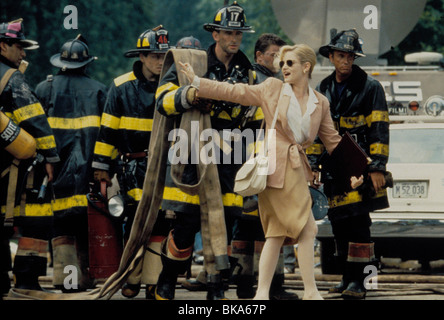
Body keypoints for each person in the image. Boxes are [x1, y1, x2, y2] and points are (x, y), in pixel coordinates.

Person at [179, 42, 366, 300]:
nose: (284, 68)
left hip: (297, 170)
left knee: (276, 235)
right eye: (282, 63)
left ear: (306, 67)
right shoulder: (272, 88)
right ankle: (311, 292)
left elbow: (333, 141)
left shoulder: (320, 102)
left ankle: (262, 294)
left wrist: (356, 170)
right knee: (308, 228)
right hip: (275, 168)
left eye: (290, 63)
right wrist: (198, 82)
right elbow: (236, 92)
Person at [154, 2, 260, 300]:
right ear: (215, 34)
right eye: (228, 32)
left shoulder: (248, 72)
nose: (234, 39)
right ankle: (168, 277)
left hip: (232, 157)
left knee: (223, 225)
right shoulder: (193, 62)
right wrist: (188, 95)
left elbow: (256, 119)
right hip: (193, 151)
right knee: (186, 226)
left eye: (238, 33)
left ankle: (216, 288)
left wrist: (257, 156)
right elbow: (162, 100)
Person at [92, 25, 173, 299]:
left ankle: (152, 282)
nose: (160, 61)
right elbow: (107, 132)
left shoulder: (174, 88)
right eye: (153, 56)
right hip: (131, 168)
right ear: (141, 56)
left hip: (166, 167)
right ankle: (132, 277)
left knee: (161, 222)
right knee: (134, 221)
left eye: (163, 56)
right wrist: (102, 167)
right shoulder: (120, 87)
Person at [308, 29, 390, 299]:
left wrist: (377, 167)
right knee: (339, 224)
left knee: (358, 225)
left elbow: (379, 130)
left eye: (350, 56)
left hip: (361, 166)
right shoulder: (323, 88)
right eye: (341, 55)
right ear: (331, 56)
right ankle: (346, 279)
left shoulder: (370, 87)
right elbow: (317, 130)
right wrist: (313, 165)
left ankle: (361, 282)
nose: (346, 61)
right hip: (334, 167)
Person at [34, 35, 107, 292]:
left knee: (60, 223)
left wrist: (45, 163)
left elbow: (34, 131)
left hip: (53, 172)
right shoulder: (99, 90)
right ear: (87, 63)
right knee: (86, 222)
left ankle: (65, 280)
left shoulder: (45, 88)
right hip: (90, 173)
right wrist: (105, 169)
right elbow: (108, 134)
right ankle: (86, 278)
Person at [230, 33, 298, 300]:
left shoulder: (267, 81)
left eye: (283, 58)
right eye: (274, 56)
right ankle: (272, 287)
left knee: (247, 225)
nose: (280, 62)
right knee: (270, 225)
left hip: (247, 163)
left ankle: (245, 286)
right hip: (259, 163)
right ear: (259, 56)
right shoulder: (262, 82)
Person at [0, 18, 60, 294]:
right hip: (11, 169)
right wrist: (50, 157)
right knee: (38, 217)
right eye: (18, 47)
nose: (23, 53)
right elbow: (35, 120)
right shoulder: (12, 78)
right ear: (3, 46)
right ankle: (26, 281)